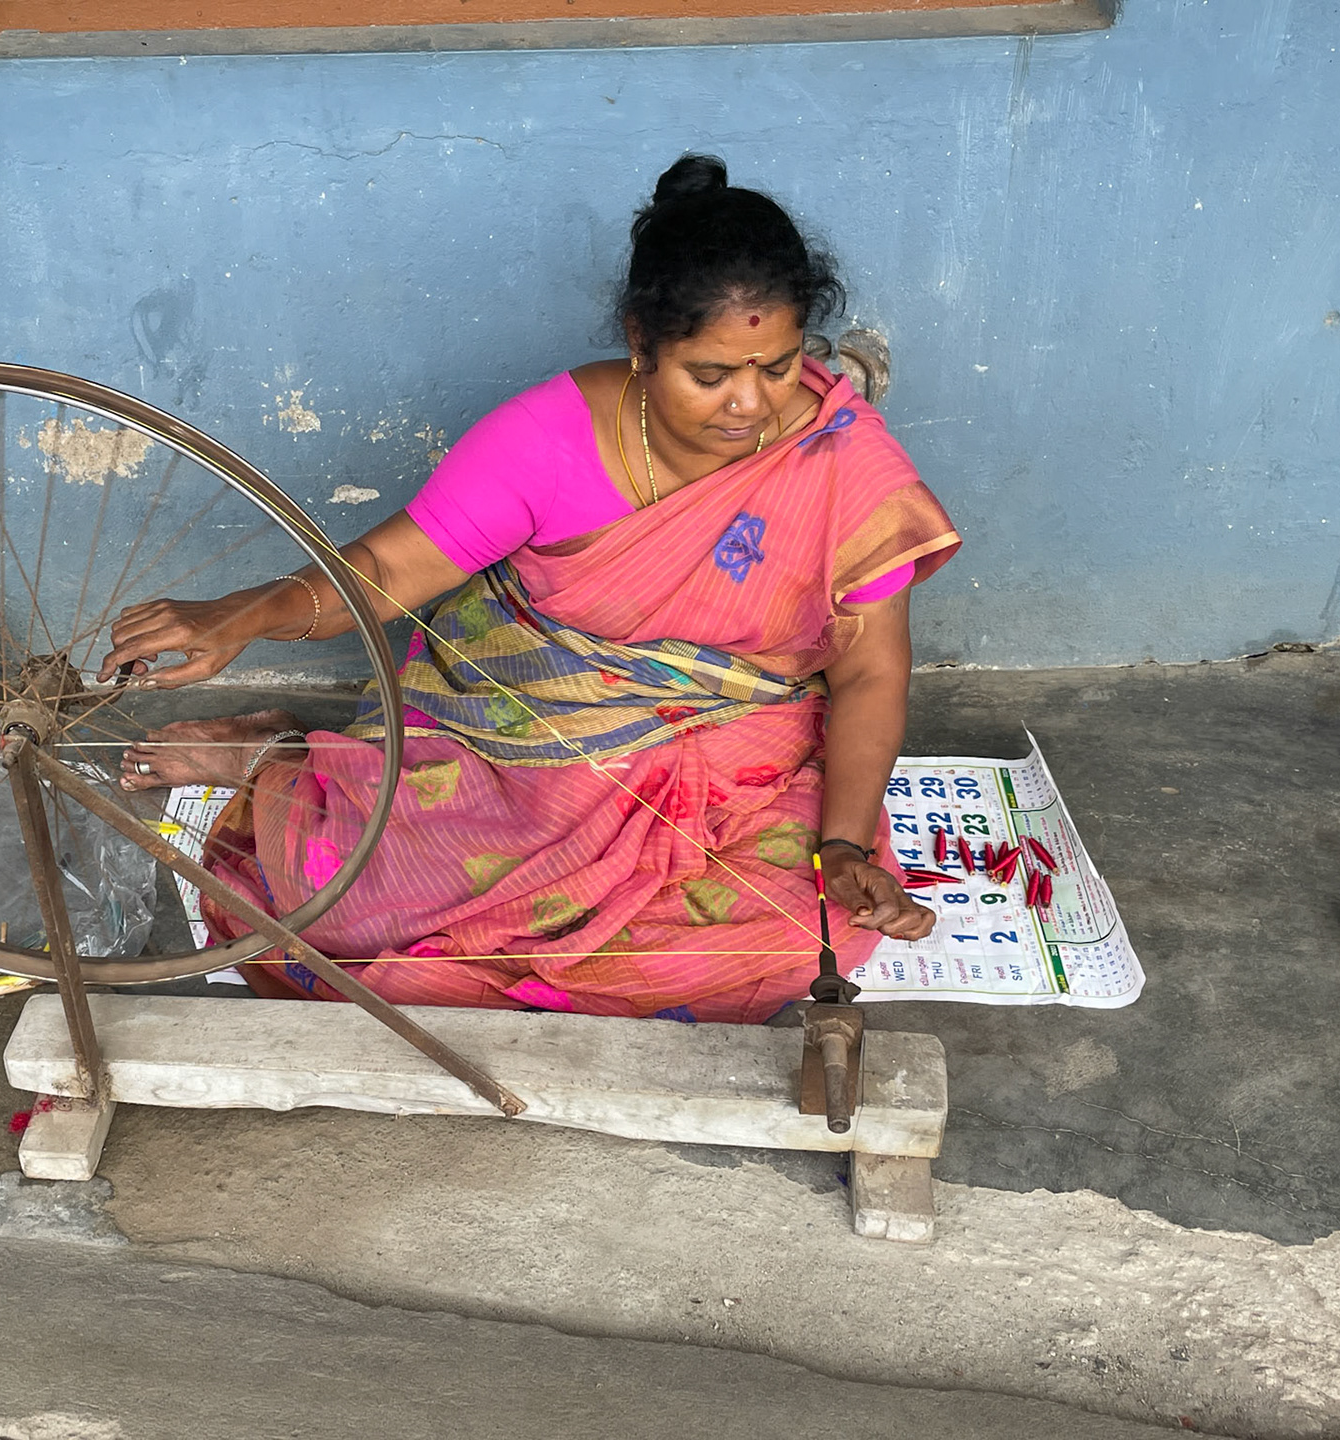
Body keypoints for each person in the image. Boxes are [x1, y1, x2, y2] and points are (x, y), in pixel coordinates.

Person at [99, 154, 958, 1023]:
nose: (751, 405)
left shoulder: (842, 460)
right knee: (368, 928)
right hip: (524, 728)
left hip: (734, 752)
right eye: (711, 375)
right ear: (641, 344)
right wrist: (242, 614)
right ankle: (277, 757)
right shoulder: (551, 435)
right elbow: (391, 569)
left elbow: (870, 672)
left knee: (800, 936)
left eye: (776, 368)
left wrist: (844, 844)